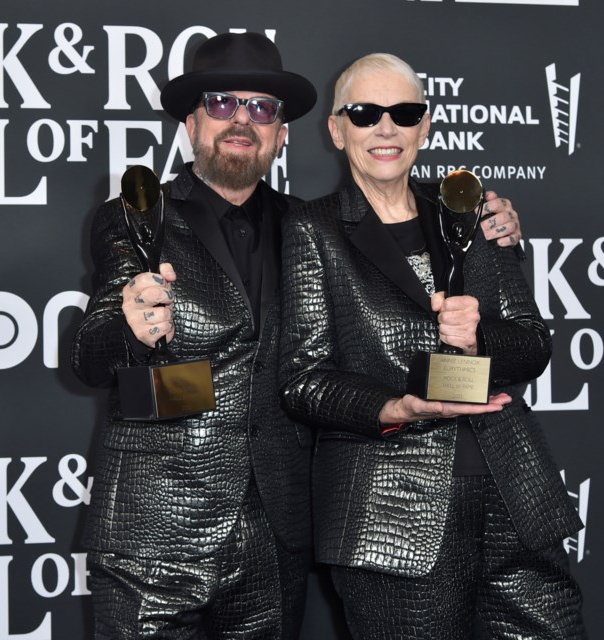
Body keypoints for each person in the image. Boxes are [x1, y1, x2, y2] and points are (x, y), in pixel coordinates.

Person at [72, 34, 523, 638]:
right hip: (155, 531)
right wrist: (127, 329)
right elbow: (89, 356)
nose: (242, 120)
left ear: (282, 133)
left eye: (261, 109)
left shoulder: (311, 228)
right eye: (222, 103)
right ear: (190, 123)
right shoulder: (138, 217)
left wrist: (490, 218)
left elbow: (406, 225)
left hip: (275, 536)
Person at [278, 53, 587, 639]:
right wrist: (397, 408)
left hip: (514, 496)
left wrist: (480, 338)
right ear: (337, 129)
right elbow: (303, 379)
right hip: (394, 514)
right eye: (366, 113)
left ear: (426, 124)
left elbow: (532, 345)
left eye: (405, 112)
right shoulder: (312, 229)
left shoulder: (472, 214)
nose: (386, 128)